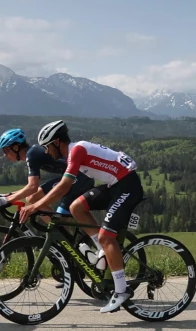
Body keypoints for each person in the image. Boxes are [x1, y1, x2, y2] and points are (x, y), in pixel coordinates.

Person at [19, 120, 145, 313]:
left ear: (56, 142)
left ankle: (121, 290)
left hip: (127, 185)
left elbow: (64, 186)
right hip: (116, 184)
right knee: (76, 207)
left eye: (47, 147)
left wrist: (35, 205)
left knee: (106, 236)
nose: (46, 152)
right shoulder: (73, 153)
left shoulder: (77, 151)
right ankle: (102, 249)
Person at [0, 127, 100, 259]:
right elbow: (31, 187)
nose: (4, 155)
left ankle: (78, 246)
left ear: (15, 147)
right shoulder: (32, 153)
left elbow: (32, 186)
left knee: (35, 199)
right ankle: (67, 243)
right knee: (37, 201)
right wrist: (7, 196)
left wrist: (7, 200)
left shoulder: (31, 154)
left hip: (80, 177)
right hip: (77, 177)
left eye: (6, 150)